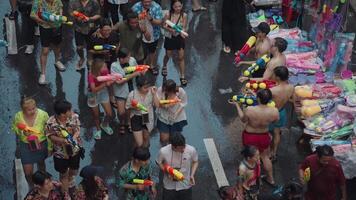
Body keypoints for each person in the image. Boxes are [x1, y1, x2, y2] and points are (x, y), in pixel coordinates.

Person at [232, 89, 279, 186]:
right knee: (265, 157)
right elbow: (275, 122)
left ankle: (249, 181)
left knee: (249, 158)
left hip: (250, 136)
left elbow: (243, 120)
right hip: (264, 135)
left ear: (258, 98)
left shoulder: (250, 110)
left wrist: (237, 105)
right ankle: (271, 179)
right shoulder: (274, 111)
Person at [12, 96, 50, 187]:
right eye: (29, 110)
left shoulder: (43, 115)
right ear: (23, 110)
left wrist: (50, 147)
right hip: (26, 146)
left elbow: (49, 131)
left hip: (41, 144)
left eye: (34, 108)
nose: (33, 111)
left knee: (41, 165)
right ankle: (31, 187)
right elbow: (14, 127)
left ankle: (43, 184)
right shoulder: (18, 116)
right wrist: (22, 132)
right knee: (28, 172)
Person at [46, 99, 82, 192]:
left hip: (74, 151)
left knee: (74, 171)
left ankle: (70, 179)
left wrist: (73, 138)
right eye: (69, 110)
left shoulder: (74, 117)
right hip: (60, 153)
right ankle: (65, 193)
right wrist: (62, 140)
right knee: (63, 174)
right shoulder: (51, 123)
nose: (71, 111)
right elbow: (50, 136)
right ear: (62, 114)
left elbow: (78, 129)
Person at [31, 0, 66, 85]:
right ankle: (42, 74)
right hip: (45, 28)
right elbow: (32, 15)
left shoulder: (57, 1)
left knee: (57, 45)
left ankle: (57, 61)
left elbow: (60, 10)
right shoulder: (38, 2)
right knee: (45, 50)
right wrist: (43, 21)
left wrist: (59, 17)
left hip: (57, 27)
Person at [156, 132, 198, 200]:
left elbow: (195, 161)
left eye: (184, 146)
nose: (183, 149)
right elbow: (159, 162)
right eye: (180, 148)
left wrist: (192, 175)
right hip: (169, 185)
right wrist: (166, 171)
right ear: (173, 146)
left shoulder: (191, 150)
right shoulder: (163, 151)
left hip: (185, 184)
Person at [111, 48, 143, 134]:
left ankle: (128, 122)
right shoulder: (114, 66)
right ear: (121, 58)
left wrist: (140, 72)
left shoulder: (132, 61)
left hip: (132, 90)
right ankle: (122, 122)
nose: (130, 58)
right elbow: (119, 81)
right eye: (127, 57)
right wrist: (134, 74)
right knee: (121, 112)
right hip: (120, 92)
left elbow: (137, 69)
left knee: (129, 109)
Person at [269, 66, 294, 160]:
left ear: (278, 77)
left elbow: (264, 101)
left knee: (266, 133)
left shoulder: (273, 90)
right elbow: (293, 100)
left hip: (271, 113)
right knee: (276, 132)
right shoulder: (291, 87)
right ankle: (274, 152)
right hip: (282, 112)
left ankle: (267, 154)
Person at [132, 0, 163, 75]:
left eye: (149, 1)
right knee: (141, 52)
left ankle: (151, 65)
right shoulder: (136, 7)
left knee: (152, 51)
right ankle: (142, 67)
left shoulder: (156, 7)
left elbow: (159, 22)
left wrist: (151, 19)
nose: (147, 4)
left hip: (154, 34)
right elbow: (130, 20)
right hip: (139, 34)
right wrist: (137, 19)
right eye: (145, 2)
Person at [153, 79, 188, 146]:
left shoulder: (181, 92)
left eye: (166, 91)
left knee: (173, 138)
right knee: (163, 139)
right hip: (163, 117)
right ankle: (164, 150)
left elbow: (183, 103)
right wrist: (154, 93)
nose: (164, 91)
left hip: (177, 119)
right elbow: (157, 105)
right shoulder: (160, 90)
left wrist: (176, 114)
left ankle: (172, 150)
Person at [162, 0, 188, 86]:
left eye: (179, 6)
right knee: (168, 55)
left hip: (179, 37)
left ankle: (182, 76)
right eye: (176, 7)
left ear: (182, 5)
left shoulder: (184, 15)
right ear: (172, 6)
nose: (178, 8)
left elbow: (184, 27)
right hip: (170, 37)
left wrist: (182, 32)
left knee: (181, 57)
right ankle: (164, 65)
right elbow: (163, 25)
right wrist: (171, 30)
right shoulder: (168, 14)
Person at [69, 0, 101, 70]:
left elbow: (98, 15)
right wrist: (77, 17)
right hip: (79, 28)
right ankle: (82, 58)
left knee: (90, 47)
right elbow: (71, 12)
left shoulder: (94, 2)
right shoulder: (73, 2)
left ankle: (89, 59)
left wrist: (89, 18)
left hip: (91, 28)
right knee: (79, 47)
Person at [125, 74, 155, 147]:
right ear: (139, 87)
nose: (147, 89)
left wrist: (154, 94)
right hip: (136, 117)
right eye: (145, 88)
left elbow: (157, 105)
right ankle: (138, 152)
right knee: (140, 143)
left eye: (148, 86)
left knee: (146, 138)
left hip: (147, 116)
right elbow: (127, 108)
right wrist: (129, 121)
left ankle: (141, 152)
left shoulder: (151, 91)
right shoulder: (132, 95)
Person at [88, 58, 114, 139]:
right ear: (98, 68)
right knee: (96, 115)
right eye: (104, 67)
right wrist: (105, 84)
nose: (106, 68)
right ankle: (98, 129)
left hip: (103, 92)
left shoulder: (105, 72)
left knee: (109, 114)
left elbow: (109, 80)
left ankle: (104, 124)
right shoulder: (91, 75)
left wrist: (111, 93)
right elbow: (93, 89)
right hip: (93, 95)